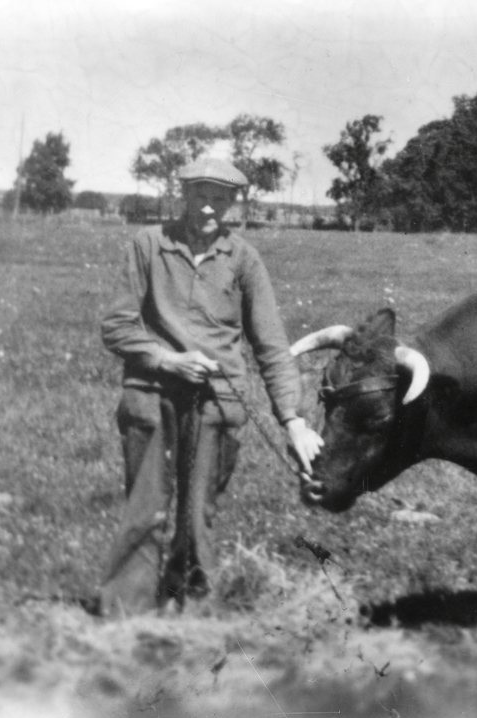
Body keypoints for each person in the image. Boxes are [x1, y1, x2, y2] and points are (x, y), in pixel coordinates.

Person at [97, 158, 323, 617]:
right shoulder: (148, 245)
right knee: (145, 508)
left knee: (198, 515)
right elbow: (117, 326)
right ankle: (126, 618)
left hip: (217, 401)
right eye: (200, 195)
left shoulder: (243, 259)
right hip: (152, 393)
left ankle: (192, 613)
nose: (208, 208)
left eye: (220, 199)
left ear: (233, 203)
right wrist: (168, 360)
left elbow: (271, 344)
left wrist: (293, 420)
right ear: (184, 194)